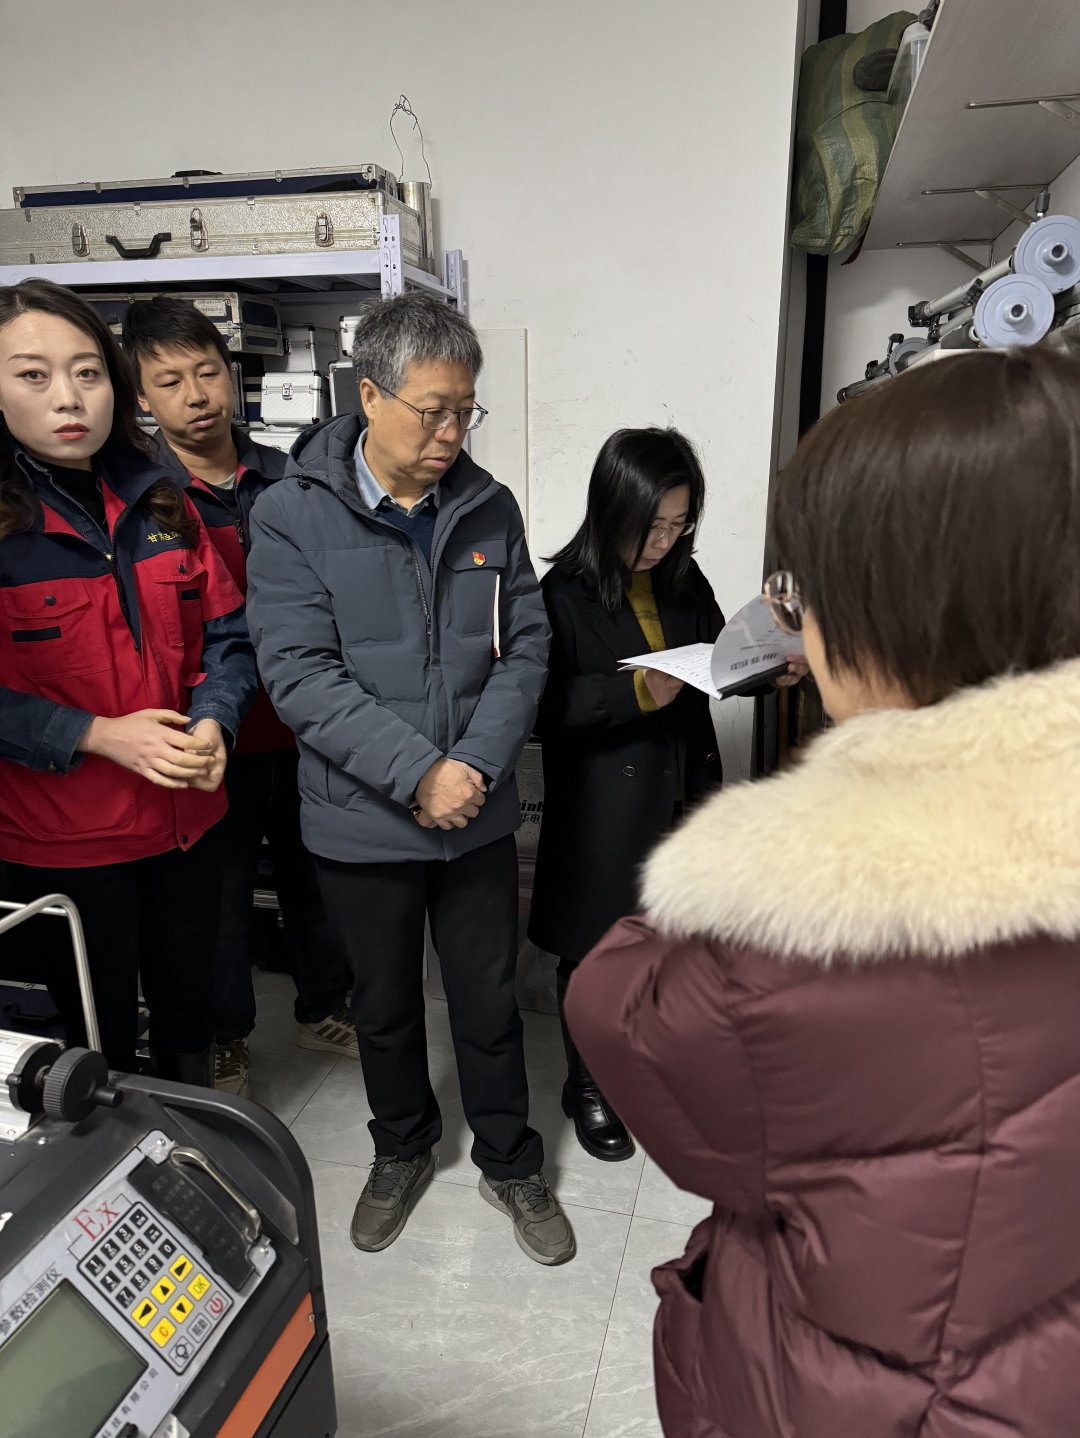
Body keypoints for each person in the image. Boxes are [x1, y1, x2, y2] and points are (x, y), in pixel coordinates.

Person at [566, 346, 1080, 1436]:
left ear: (901, 613)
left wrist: (752, 857)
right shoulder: (563, 589)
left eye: (810, 595)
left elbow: (625, 1011)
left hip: (879, 1381)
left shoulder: (796, 934)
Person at [246, 292, 575, 1265]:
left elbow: (525, 645)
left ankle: (510, 1159)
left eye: (466, 411)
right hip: (361, 821)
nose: (451, 433)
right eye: (433, 411)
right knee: (384, 1008)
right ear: (369, 394)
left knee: (486, 1003)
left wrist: (470, 766)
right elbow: (300, 674)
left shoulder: (487, 505)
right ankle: (401, 1148)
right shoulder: (292, 514)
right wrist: (418, 772)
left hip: (473, 815)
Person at [0, 279, 255, 1079]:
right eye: (33, 375)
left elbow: (229, 633)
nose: (68, 397)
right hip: (65, 847)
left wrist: (215, 718)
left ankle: (187, 1134)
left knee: (190, 1020)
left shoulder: (160, 499)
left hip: (186, 824)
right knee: (93, 1049)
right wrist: (97, 735)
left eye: (87, 372)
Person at [530, 427, 806, 1163]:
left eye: (679, 525)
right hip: (604, 808)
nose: (663, 541)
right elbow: (541, 709)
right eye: (651, 525)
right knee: (597, 954)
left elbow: (719, 660)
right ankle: (587, 1085)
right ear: (612, 506)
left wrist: (771, 670)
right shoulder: (562, 593)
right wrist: (633, 694)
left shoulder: (684, 580)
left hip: (686, 787)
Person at [120, 297, 356, 1098]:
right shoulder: (144, 499)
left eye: (208, 372)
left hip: (306, 727)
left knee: (316, 878)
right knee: (217, 902)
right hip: (208, 736)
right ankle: (227, 1039)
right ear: (141, 398)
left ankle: (324, 1006)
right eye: (169, 382)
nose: (196, 396)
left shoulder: (290, 478)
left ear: (232, 374)